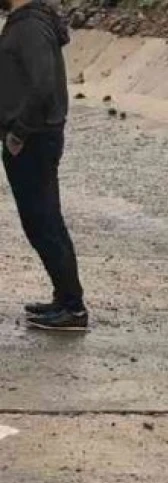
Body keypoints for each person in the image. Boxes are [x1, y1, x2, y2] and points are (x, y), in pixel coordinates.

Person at [0, 0, 88, 331]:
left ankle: (72, 307)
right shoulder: (26, 22)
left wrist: (19, 132)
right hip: (33, 137)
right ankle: (64, 299)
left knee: (44, 222)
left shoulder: (30, 27)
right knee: (41, 221)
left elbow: (42, 86)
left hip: (34, 139)